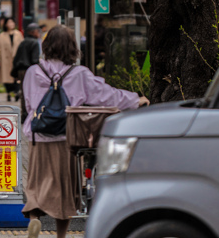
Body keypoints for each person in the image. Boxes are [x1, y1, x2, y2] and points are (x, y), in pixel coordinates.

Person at [22, 25, 149, 238]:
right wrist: (136, 100)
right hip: (67, 136)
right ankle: (61, 236)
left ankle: (34, 219)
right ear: (73, 48)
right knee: (65, 188)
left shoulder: (33, 72)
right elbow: (107, 95)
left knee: (37, 182)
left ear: (47, 45)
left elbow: (28, 104)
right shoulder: (79, 74)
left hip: (38, 136)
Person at [12, 22, 42, 121]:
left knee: (23, 92)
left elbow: (16, 58)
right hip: (30, 71)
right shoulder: (34, 42)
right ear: (32, 32)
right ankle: (29, 113)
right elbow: (34, 60)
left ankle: (23, 113)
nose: (39, 33)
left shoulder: (23, 42)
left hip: (21, 70)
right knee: (31, 92)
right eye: (38, 31)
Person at [0, 17, 22, 101]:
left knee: (16, 77)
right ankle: (9, 93)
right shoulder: (2, 35)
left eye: (12, 22)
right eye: (9, 22)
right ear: (6, 24)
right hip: (5, 60)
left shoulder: (18, 34)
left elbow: (22, 46)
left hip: (16, 59)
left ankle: (16, 92)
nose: (11, 24)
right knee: (6, 77)